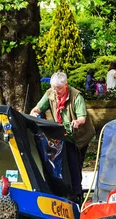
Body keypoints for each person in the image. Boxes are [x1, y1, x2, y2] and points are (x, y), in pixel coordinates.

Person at [30, 71, 95, 203]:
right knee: (66, 163)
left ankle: (77, 195)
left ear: (66, 85)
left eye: (59, 88)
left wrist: (77, 122)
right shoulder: (50, 94)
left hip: (80, 136)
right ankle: (69, 192)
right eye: (54, 88)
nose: (56, 91)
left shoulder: (76, 96)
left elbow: (82, 117)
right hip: (63, 135)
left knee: (75, 164)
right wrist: (35, 113)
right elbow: (36, 109)